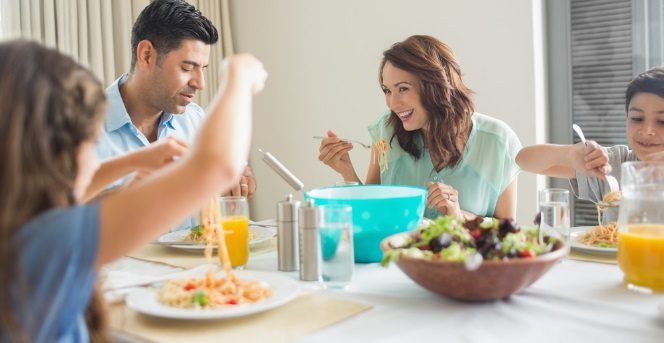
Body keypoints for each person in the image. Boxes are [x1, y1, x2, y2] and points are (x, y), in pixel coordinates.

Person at [0, 40, 266, 342]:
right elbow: (217, 166)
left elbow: (72, 188)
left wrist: (134, 161)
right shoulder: (48, 242)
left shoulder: (18, 225)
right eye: (89, 141)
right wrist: (238, 76)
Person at [318, 35, 522, 220]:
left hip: (467, 261)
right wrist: (347, 172)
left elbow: (507, 232)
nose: (392, 103)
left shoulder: (500, 142)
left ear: (436, 86)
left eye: (403, 89)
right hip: (399, 260)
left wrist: (459, 217)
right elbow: (372, 213)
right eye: (387, 91)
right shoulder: (384, 132)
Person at [96, 0, 257, 200]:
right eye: (187, 68)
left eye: (203, 69)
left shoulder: (196, 120)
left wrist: (232, 182)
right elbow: (62, 220)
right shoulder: (79, 129)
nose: (200, 83)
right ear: (146, 55)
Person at [516, 67, 664, 203]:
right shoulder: (612, 165)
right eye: (637, 118)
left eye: (662, 121)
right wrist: (569, 154)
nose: (646, 130)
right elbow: (522, 160)